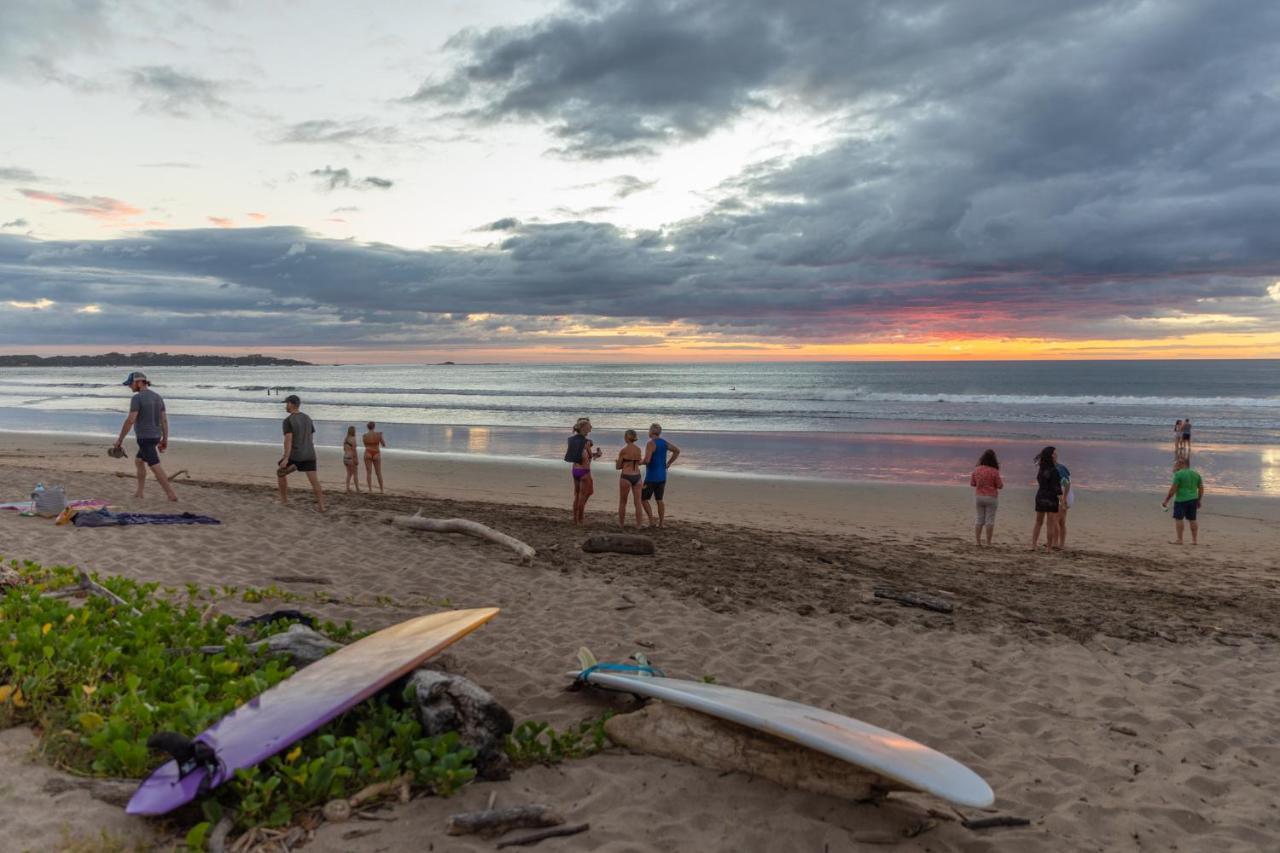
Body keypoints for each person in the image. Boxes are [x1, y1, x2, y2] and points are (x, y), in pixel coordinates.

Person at [113, 371, 178, 501]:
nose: (129, 387)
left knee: (154, 465)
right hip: (155, 436)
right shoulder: (158, 397)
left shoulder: (137, 398)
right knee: (139, 461)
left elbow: (130, 420)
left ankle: (171, 494)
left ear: (138, 382)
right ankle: (139, 492)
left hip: (144, 438)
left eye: (130, 384)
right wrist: (164, 439)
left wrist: (119, 440)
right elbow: (164, 420)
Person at [277, 394, 325, 512]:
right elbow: (311, 436)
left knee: (280, 472)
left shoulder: (288, 421)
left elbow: (288, 440)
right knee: (314, 481)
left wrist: (286, 458)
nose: (285, 406)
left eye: (287, 403)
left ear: (292, 404)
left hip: (296, 455)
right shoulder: (308, 418)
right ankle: (321, 506)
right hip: (309, 454)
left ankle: (284, 501)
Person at [641, 423, 681, 528]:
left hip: (651, 477)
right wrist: (669, 463)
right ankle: (661, 523)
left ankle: (651, 521)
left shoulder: (650, 443)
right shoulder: (664, 443)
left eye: (649, 430)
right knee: (659, 500)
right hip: (662, 476)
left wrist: (638, 462)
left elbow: (647, 460)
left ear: (651, 431)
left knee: (643, 499)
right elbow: (677, 451)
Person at [566, 418, 601, 524]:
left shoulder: (572, 440)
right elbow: (590, 456)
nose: (590, 429)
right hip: (585, 470)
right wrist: (598, 454)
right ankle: (580, 518)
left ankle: (575, 518)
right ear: (585, 429)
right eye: (589, 427)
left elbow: (579, 454)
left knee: (577, 495)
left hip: (575, 470)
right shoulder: (587, 442)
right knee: (586, 493)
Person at [1162, 457, 1204, 545]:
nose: (1175, 467)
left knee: (1179, 518)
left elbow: (1173, 489)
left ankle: (1179, 540)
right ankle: (1194, 540)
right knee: (1192, 519)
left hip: (1181, 500)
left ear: (1181, 464)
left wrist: (1166, 500)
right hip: (1193, 499)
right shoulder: (1196, 474)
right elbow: (1201, 489)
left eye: (1176, 465)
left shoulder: (1178, 474)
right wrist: (1199, 500)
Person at [1030, 446, 1062, 550]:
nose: (1056, 455)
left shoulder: (1041, 469)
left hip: (1040, 496)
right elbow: (1057, 489)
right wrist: (1063, 502)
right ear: (1051, 456)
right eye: (1055, 453)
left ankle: (1033, 545)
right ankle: (1048, 548)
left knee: (1038, 522)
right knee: (1050, 524)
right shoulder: (1054, 471)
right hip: (1051, 498)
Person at [969, 449, 1003, 546]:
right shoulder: (994, 471)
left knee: (979, 519)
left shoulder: (977, 470)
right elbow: (1000, 486)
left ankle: (978, 542)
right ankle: (988, 542)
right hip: (991, 497)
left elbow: (972, 483)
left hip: (979, 497)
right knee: (990, 520)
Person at [616, 429, 644, 527]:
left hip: (626, 476)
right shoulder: (638, 449)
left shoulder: (624, 450)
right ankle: (639, 525)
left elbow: (618, 467)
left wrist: (619, 462)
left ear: (627, 437)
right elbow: (640, 462)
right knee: (638, 502)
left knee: (623, 501)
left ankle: (621, 524)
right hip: (637, 476)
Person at [362, 421, 387, 493]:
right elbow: (383, 444)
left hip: (368, 452)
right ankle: (381, 490)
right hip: (376, 453)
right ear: (374, 427)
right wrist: (381, 437)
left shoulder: (364, 436)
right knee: (378, 473)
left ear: (368, 427)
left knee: (369, 473)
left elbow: (366, 445)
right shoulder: (378, 434)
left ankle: (370, 490)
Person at [1055, 456, 1073, 549]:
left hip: (1064, 497)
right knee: (1061, 522)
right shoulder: (1057, 467)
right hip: (1063, 496)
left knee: (1055, 521)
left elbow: (1067, 484)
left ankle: (1056, 543)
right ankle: (1060, 544)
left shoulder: (1059, 469)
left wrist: (1064, 500)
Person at [342, 426, 360, 493]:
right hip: (351, 458)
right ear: (353, 431)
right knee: (355, 473)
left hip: (345, 458)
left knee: (349, 474)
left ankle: (347, 488)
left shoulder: (345, 439)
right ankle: (357, 489)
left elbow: (344, 449)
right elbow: (354, 450)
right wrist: (356, 459)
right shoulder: (353, 439)